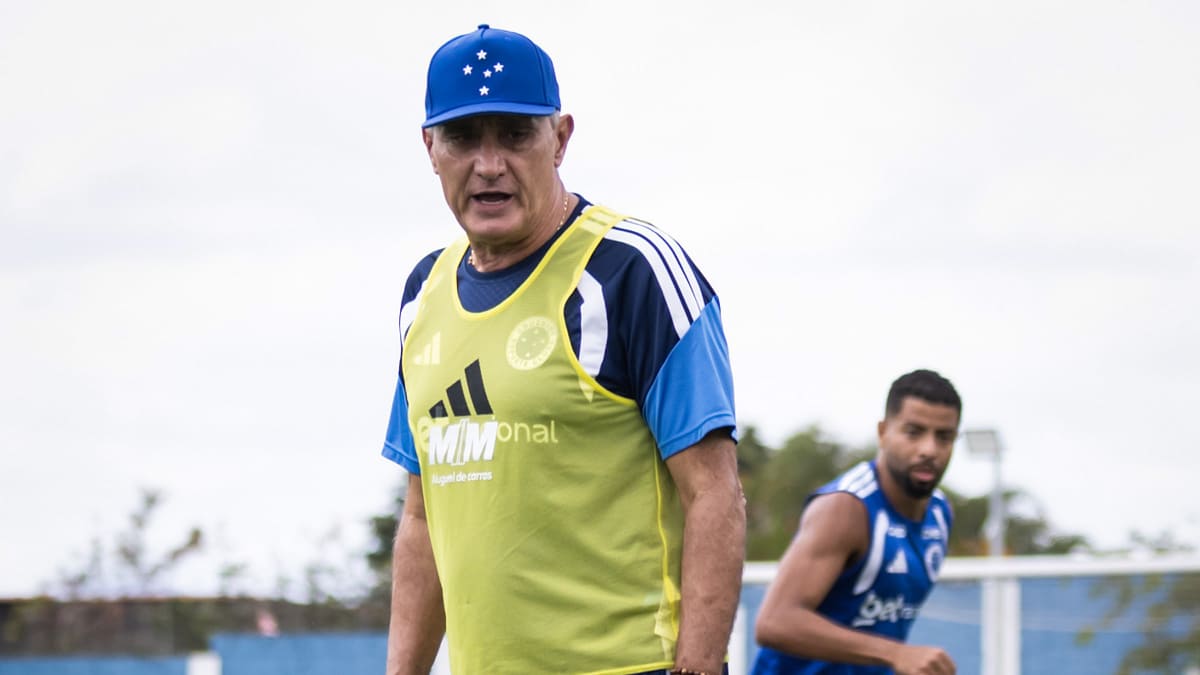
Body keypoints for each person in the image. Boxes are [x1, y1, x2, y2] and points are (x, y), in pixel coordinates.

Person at [379, 24, 745, 675]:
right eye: (463, 137)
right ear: (430, 147)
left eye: (515, 134)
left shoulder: (632, 270)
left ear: (560, 138)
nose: (489, 164)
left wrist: (700, 665)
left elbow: (714, 492)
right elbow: (422, 516)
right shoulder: (422, 294)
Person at [750, 369, 962, 675]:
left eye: (944, 437)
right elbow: (774, 622)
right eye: (914, 432)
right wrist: (896, 653)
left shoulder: (941, 514)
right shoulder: (846, 508)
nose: (929, 449)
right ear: (883, 432)